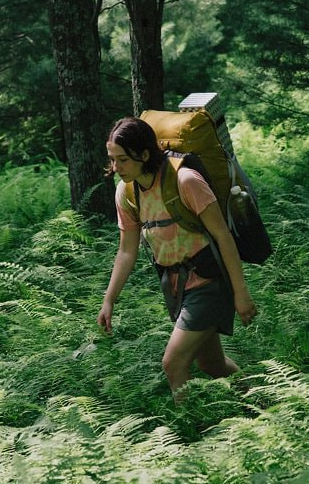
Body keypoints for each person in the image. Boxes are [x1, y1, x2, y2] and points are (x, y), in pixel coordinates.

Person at [97, 116, 257, 402]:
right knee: (211, 364)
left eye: (123, 160)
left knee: (174, 364)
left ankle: (191, 426)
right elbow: (126, 251)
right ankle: (262, 401)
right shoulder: (127, 192)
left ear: (144, 155)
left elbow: (223, 236)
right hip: (176, 287)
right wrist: (109, 300)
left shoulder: (186, 180)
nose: (116, 167)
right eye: (112, 159)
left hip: (209, 281)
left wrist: (241, 293)